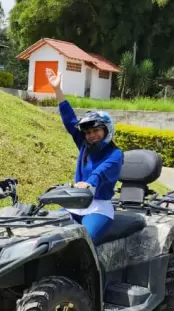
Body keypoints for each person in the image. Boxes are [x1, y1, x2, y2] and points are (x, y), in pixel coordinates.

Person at [44, 68, 123, 245]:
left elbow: (101, 171)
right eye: (87, 132)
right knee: (47, 231)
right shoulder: (84, 146)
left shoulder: (115, 154)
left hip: (98, 208)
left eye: (96, 130)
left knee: (83, 243)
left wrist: (89, 183)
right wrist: (58, 90)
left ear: (107, 130)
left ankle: (92, 272)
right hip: (75, 204)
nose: (91, 135)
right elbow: (70, 121)